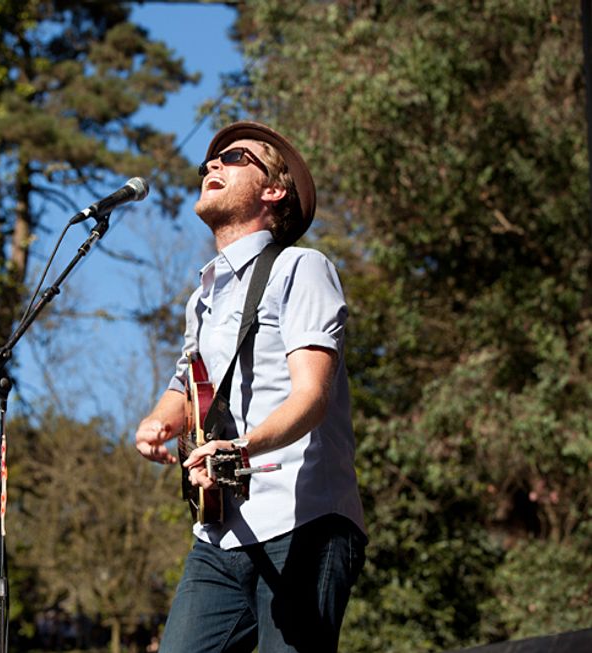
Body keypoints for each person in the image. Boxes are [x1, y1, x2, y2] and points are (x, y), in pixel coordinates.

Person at [135, 121, 367, 653]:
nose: (212, 165)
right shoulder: (203, 297)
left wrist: (241, 447)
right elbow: (190, 382)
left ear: (273, 190)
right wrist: (158, 423)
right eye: (207, 163)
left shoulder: (300, 268)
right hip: (220, 531)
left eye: (234, 157)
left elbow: (312, 396)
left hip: (303, 519)